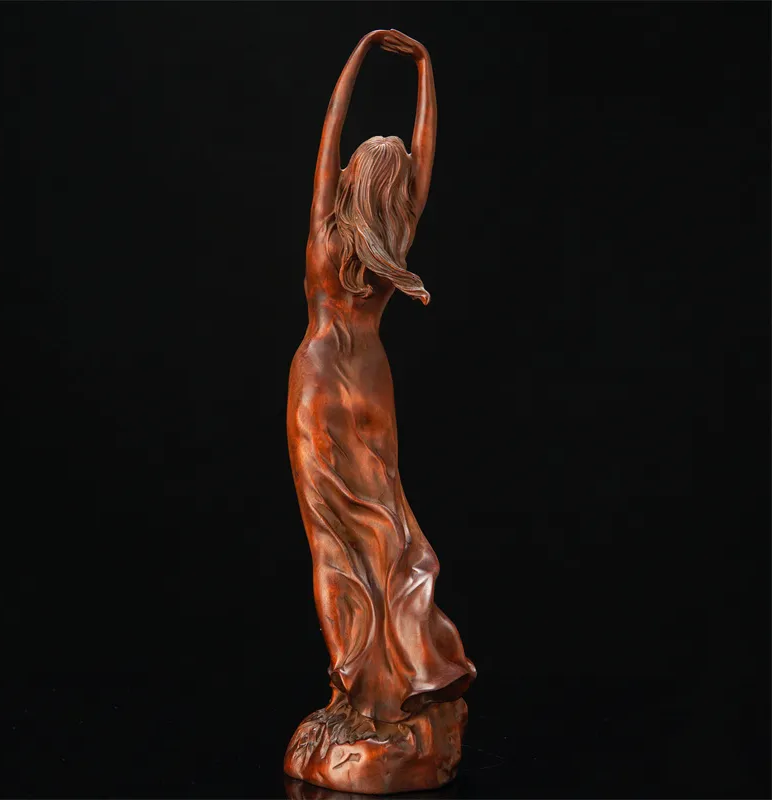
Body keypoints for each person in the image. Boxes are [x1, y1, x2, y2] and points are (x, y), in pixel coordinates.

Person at [287, 28, 476, 727]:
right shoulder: (395, 233)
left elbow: (329, 133)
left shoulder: (326, 231)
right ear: (394, 189)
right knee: (389, 520)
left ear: (350, 179)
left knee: (333, 539)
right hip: (371, 382)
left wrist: (360, 54)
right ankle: (417, 665)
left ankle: (354, 682)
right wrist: (425, 68)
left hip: (318, 379)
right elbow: (425, 156)